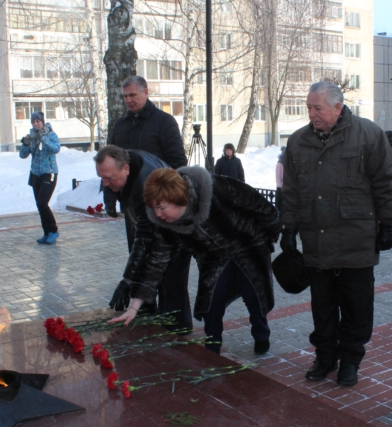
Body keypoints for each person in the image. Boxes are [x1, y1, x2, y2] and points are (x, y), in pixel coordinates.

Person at [280, 81, 392, 387]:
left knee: (357, 307)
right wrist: (289, 228)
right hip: (316, 241)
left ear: (337, 106)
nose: (312, 114)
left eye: (317, 108)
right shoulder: (298, 141)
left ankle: (350, 360)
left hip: (355, 240)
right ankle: (325, 356)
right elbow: (291, 190)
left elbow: (386, 183)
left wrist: (389, 224)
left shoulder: (368, 135)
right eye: (308, 107)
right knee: (322, 306)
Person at [109, 167, 281, 355]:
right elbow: (155, 263)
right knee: (211, 303)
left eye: (161, 207)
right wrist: (134, 307)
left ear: (176, 197)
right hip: (212, 258)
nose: (157, 214)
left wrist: (271, 236)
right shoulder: (165, 227)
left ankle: (261, 334)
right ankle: (212, 347)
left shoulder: (217, 188)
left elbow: (259, 205)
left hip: (247, 245)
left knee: (254, 295)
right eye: (154, 208)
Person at [105, 75, 192, 329]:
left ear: (146, 92)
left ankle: (177, 323)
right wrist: (110, 195)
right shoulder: (120, 126)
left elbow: (178, 163)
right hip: (135, 211)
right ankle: (147, 310)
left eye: (133, 94)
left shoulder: (164, 122)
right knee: (140, 255)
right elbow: (111, 164)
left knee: (169, 268)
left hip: (163, 209)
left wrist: (170, 202)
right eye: (125, 96)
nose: (129, 100)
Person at [95, 146, 193, 332]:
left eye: (109, 178)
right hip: (156, 226)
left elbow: (145, 239)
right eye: (102, 178)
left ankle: (179, 331)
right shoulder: (123, 167)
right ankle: (153, 318)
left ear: (125, 169)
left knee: (171, 281)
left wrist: (126, 281)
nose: (105, 183)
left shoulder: (145, 187)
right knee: (149, 266)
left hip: (175, 228)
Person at [19, 112, 61, 244]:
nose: (36, 124)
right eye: (33, 122)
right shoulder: (32, 137)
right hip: (36, 174)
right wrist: (26, 143)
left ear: (42, 121)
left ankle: (53, 231)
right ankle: (46, 232)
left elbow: (56, 148)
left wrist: (43, 138)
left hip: (49, 172)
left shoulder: (51, 134)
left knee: (43, 203)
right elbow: (22, 155)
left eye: (38, 121)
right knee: (39, 205)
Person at [275, 146, 286, 212]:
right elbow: (278, 177)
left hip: (287, 187)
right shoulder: (279, 164)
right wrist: (280, 187)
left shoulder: (289, 163)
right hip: (281, 188)